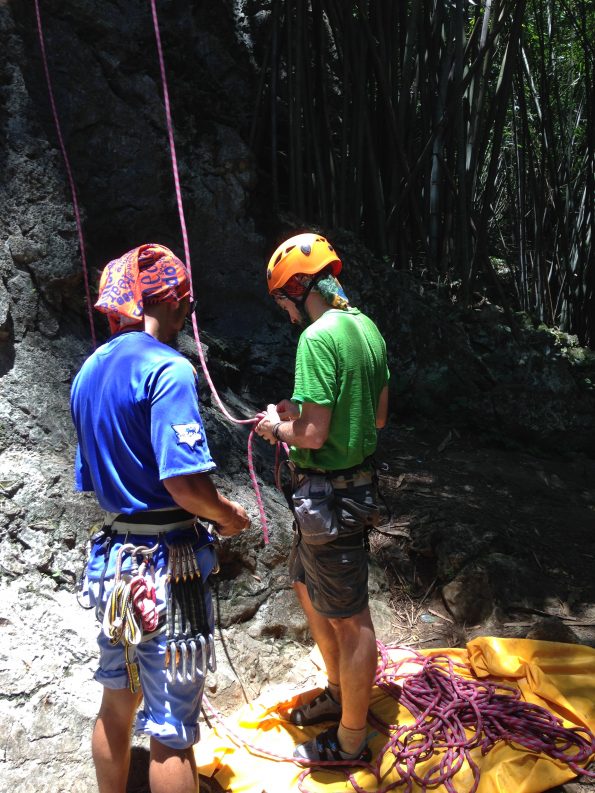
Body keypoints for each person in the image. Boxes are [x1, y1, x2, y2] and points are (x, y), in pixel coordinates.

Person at [71, 243, 250, 793]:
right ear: (166, 299)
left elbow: (89, 479)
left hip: (112, 564)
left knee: (116, 704)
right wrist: (227, 517)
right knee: (172, 729)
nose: (189, 317)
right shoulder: (167, 370)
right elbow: (183, 485)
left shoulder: (88, 371)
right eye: (186, 305)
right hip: (166, 567)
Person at [255, 232, 389, 764]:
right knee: (305, 584)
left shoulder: (316, 338)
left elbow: (311, 435)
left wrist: (274, 425)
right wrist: (300, 411)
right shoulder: (367, 329)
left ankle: (352, 739)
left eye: (282, 299)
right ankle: (339, 694)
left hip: (328, 500)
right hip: (351, 491)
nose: (284, 310)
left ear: (297, 288)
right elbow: (376, 417)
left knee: (352, 617)